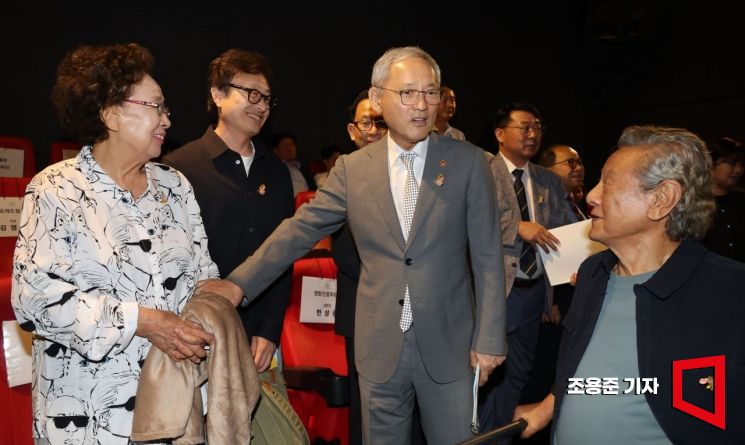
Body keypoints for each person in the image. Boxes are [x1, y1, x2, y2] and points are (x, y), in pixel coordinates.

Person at [201, 46, 507, 445]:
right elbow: (299, 230)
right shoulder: (353, 169)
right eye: (408, 93)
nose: (421, 105)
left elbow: (487, 256)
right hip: (379, 347)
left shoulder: (469, 163)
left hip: (451, 346)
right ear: (378, 98)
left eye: (430, 93)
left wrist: (490, 338)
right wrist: (238, 284)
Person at [12, 43, 222, 444]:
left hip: (177, 405)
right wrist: (142, 321)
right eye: (155, 106)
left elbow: (203, 277)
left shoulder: (175, 187)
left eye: (166, 109)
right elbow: (34, 298)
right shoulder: (56, 188)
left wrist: (206, 319)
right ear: (110, 114)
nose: (166, 119)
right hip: (87, 415)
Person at [515, 125, 745, 444]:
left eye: (607, 183)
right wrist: (544, 411)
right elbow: (589, 375)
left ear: (662, 200)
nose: (592, 195)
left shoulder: (730, 292)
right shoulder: (593, 273)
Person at [163, 48, 294, 373]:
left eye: (266, 98)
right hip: (196, 334)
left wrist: (269, 330)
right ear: (218, 94)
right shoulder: (178, 167)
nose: (261, 105)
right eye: (251, 93)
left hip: (258, 339)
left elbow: (283, 256)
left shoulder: (277, 172)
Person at [479, 103, 576, 436]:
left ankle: (498, 435)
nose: (532, 133)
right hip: (494, 292)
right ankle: (475, 434)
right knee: (484, 374)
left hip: (533, 293)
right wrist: (516, 226)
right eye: (524, 127)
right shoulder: (481, 171)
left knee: (519, 373)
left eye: (537, 127)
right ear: (500, 133)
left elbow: (563, 233)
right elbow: (467, 221)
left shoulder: (548, 179)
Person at [333, 89, 387, 445]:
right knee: (366, 410)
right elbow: (344, 252)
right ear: (353, 131)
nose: (374, 129)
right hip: (363, 307)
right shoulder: (344, 176)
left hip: (411, 315)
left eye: (381, 121)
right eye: (366, 122)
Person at [701, 137, 745, 263]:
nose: (738, 170)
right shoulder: (694, 202)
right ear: (711, 163)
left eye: (741, 164)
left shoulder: (741, 200)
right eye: (731, 163)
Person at [539, 144, 587, 222]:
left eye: (579, 162)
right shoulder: (541, 206)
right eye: (571, 162)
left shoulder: (572, 201)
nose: (579, 168)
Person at [273, 132, 310, 196]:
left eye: (292, 144)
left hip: (309, 202)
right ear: (276, 151)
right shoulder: (273, 169)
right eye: (285, 145)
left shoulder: (303, 168)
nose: (290, 149)